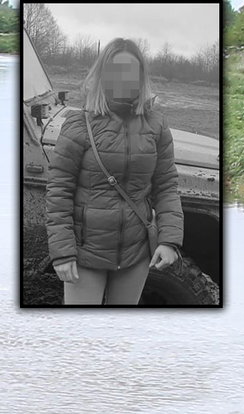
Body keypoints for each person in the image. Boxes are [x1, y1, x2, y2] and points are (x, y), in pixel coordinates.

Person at [45, 38, 183, 305]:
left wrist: (169, 240)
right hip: (86, 254)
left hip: (136, 253)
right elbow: (58, 192)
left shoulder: (156, 125)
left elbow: (166, 186)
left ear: (141, 76)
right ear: (103, 75)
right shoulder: (78, 124)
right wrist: (62, 252)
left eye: (131, 71)